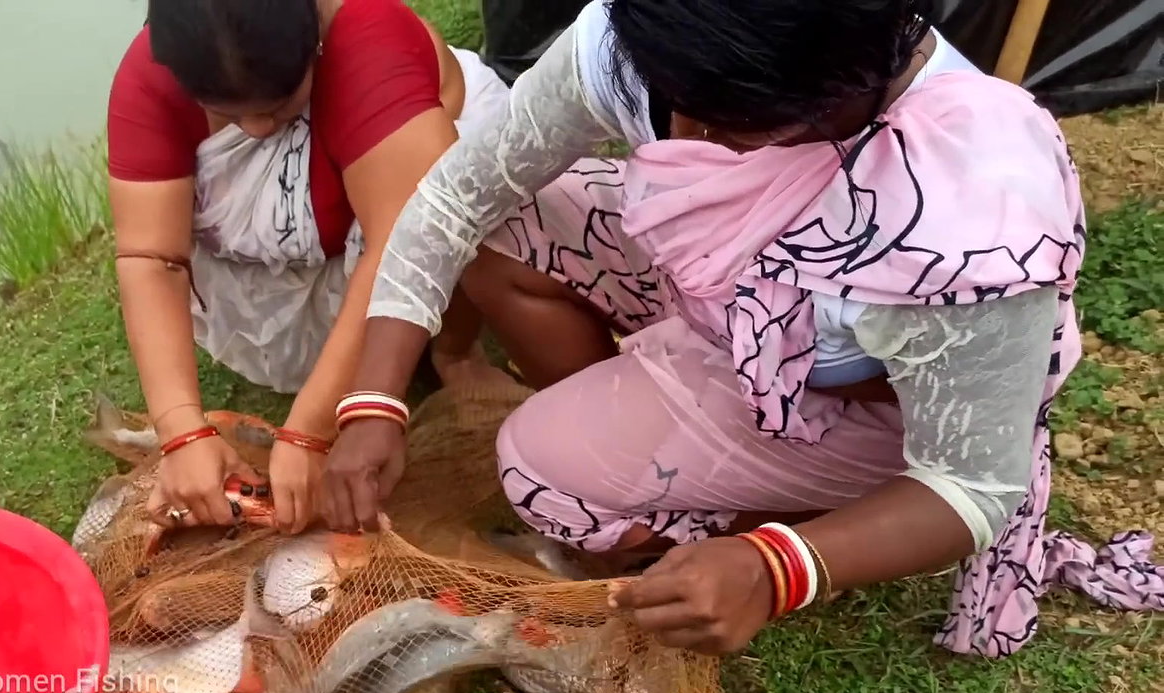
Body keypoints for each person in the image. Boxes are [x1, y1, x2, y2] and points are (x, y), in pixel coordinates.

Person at [321, 0, 1164, 658]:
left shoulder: (971, 211)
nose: (685, 136)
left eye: (731, 122)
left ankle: (761, 501)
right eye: (677, 105)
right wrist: (372, 398)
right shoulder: (639, 38)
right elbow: (460, 197)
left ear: (847, 89)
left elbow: (973, 486)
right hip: (731, 308)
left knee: (542, 474)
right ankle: (662, 440)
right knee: (513, 222)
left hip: (872, 402)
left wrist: (778, 565)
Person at [105, 0, 512, 536]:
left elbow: (410, 235)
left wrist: (310, 428)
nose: (253, 130)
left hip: (398, 211)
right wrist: (181, 430)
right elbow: (152, 259)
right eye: (228, 112)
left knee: (455, 197)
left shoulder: (367, 40)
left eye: (275, 106)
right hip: (305, 249)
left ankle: (454, 351)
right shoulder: (153, 72)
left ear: (314, 40)